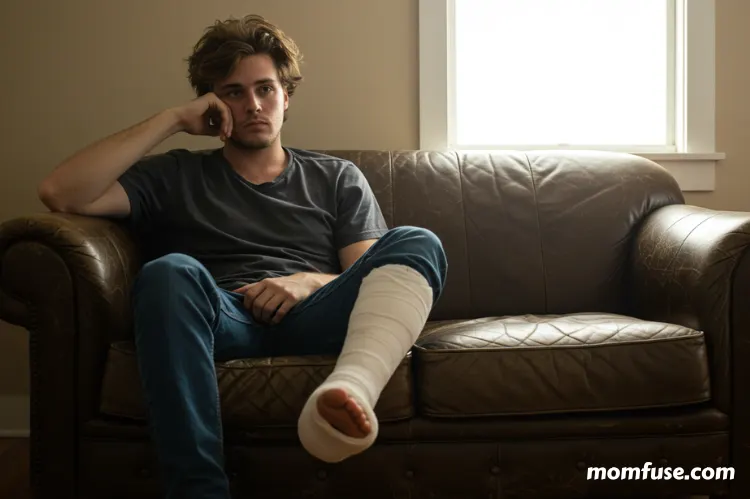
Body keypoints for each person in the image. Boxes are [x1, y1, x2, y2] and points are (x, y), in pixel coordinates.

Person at [37, 13, 447, 499]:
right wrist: (172, 120)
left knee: (418, 240)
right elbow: (61, 192)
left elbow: (365, 272)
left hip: (314, 314)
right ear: (211, 105)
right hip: (221, 317)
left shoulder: (335, 176)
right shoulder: (174, 174)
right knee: (169, 272)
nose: (253, 105)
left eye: (265, 89)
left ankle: (351, 387)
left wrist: (306, 282)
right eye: (234, 92)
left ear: (286, 96)